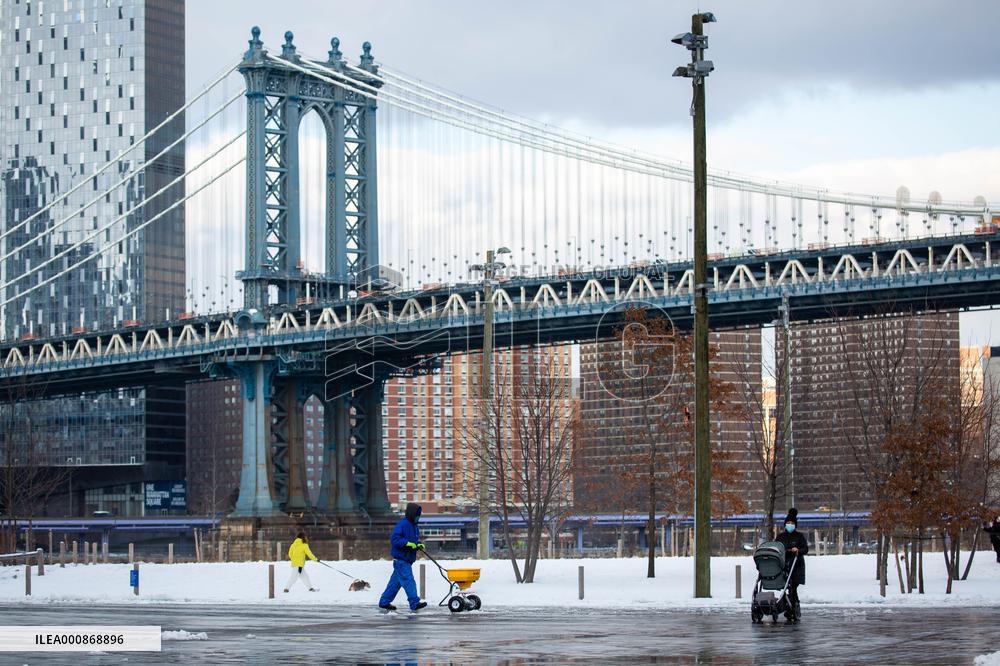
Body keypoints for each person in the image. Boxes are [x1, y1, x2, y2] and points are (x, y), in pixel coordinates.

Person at [379, 502, 428, 611]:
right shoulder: (403, 524)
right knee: (408, 580)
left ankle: (384, 602)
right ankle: (414, 602)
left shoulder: (414, 526)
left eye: (419, 515)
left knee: (395, 583)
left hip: (406, 559)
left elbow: (413, 541)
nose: (418, 517)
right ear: (412, 514)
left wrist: (417, 545)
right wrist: (407, 543)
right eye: (417, 515)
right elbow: (395, 539)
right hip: (401, 560)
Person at [775, 508, 808, 623]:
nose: (790, 525)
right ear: (785, 524)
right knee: (787, 588)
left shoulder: (799, 537)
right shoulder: (780, 537)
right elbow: (776, 547)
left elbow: (805, 549)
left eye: (792, 523)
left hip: (796, 566)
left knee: (793, 587)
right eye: (788, 523)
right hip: (784, 565)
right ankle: (790, 607)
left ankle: (793, 608)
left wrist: (798, 549)